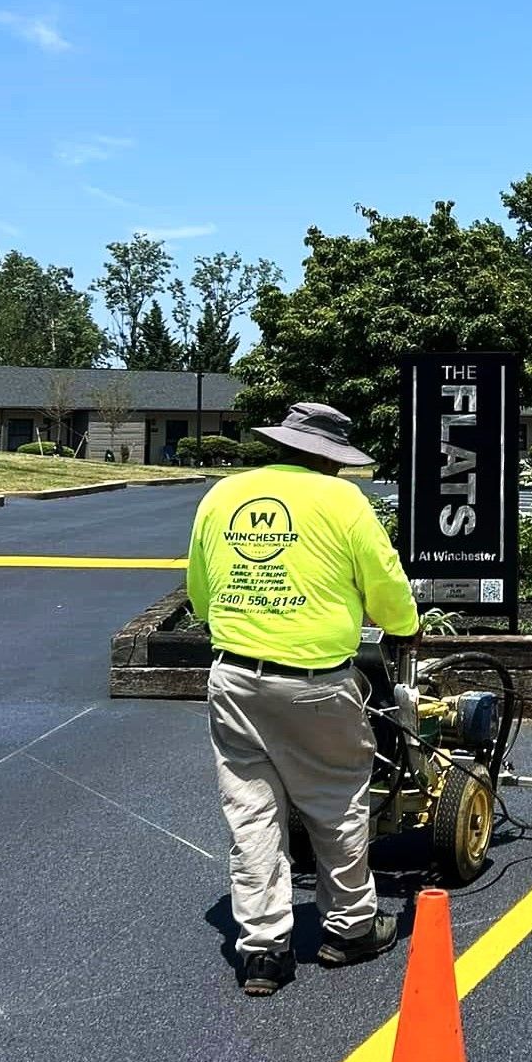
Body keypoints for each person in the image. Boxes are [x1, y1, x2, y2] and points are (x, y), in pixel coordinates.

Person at [186, 401, 419, 997]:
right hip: (315, 681)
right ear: (331, 458)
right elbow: (386, 582)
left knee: (252, 812)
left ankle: (263, 949)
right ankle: (350, 928)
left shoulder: (223, 495)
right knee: (336, 800)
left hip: (235, 677)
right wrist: (402, 626)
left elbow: (201, 589)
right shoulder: (343, 503)